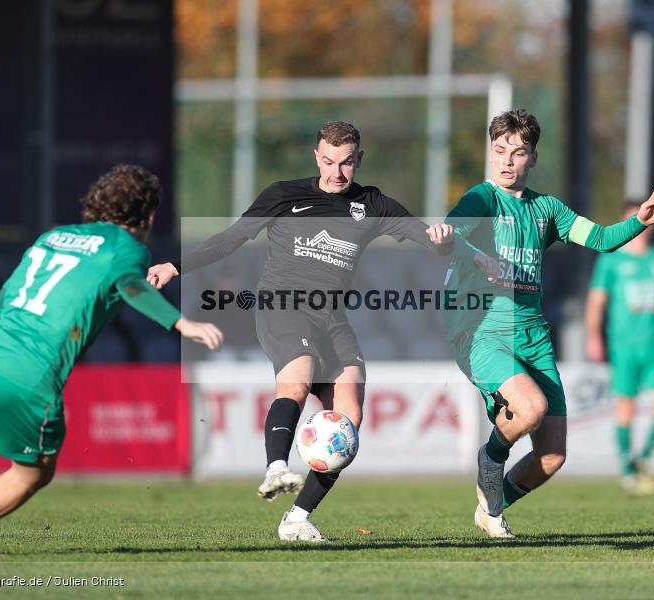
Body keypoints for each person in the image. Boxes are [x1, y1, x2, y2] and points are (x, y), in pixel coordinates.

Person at [147, 121, 453, 542]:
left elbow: (430, 239)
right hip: (283, 308)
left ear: (359, 160)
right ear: (316, 156)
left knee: (350, 419)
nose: (336, 173)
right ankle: (276, 468)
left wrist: (442, 240)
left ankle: (296, 518)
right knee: (296, 382)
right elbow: (232, 238)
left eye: (346, 163)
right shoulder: (284, 194)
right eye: (328, 162)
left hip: (333, 320)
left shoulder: (373, 204)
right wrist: (174, 265)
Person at [0, 164, 223, 556]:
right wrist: (181, 323)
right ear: (149, 217)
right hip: (29, 372)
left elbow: (6, 293)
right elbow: (134, 287)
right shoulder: (127, 248)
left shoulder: (53, 236)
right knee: (32, 474)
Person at [442, 109, 654, 538]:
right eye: (499, 151)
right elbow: (449, 235)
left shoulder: (546, 209)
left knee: (552, 458)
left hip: (534, 335)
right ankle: (490, 459)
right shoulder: (480, 199)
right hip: (483, 331)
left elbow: (603, 239)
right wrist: (475, 255)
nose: (506, 161)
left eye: (517, 153)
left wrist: (639, 221)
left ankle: (493, 506)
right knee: (528, 409)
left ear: (533, 158)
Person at [585, 201, 654, 495]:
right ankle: (626, 470)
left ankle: (643, 457)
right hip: (623, 346)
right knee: (626, 407)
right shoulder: (611, 259)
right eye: (632, 219)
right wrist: (593, 335)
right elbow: (597, 300)